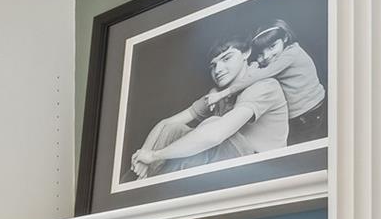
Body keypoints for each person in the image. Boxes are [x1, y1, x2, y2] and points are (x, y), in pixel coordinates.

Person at [129, 37, 290, 179]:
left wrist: (155, 156)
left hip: (264, 172)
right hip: (230, 165)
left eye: (226, 58)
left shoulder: (264, 86)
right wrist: (143, 156)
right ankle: (141, 181)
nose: (218, 70)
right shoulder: (218, 94)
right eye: (213, 65)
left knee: (210, 126)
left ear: (246, 53)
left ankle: (151, 187)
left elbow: (215, 135)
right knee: (173, 130)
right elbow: (165, 124)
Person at [211, 19, 327, 144]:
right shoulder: (274, 57)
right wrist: (215, 90)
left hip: (309, 112)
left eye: (272, 46)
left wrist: (222, 94)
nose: (267, 56)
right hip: (299, 114)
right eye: (262, 52)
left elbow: (261, 74)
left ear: (285, 38)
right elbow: (255, 68)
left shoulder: (292, 54)